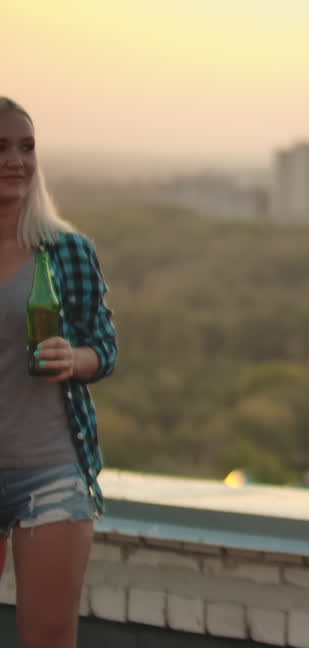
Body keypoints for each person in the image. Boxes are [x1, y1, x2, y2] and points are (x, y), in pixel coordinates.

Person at [0, 96, 118, 648]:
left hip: (50, 470)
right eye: (0, 147)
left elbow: (105, 348)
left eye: (26, 147)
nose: (15, 160)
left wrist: (74, 358)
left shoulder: (67, 251)